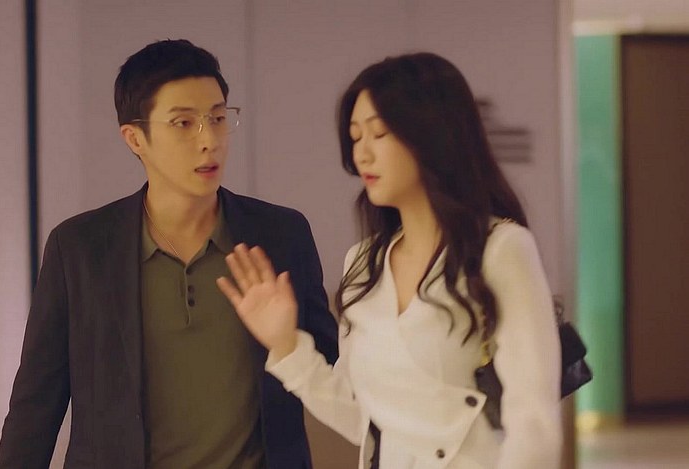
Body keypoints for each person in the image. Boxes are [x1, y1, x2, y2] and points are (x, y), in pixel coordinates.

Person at [0, 39, 338, 469]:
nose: (209, 140)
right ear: (135, 138)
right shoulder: (80, 248)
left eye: (218, 118)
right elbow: (35, 406)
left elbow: (331, 371)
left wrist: (289, 341)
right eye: (183, 123)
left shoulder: (281, 234)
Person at [217, 52, 562, 469]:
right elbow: (362, 417)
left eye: (378, 134)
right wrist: (286, 344)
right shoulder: (364, 263)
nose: (361, 154)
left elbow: (534, 424)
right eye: (355, 137)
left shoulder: (501, 249)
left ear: (432, 135)